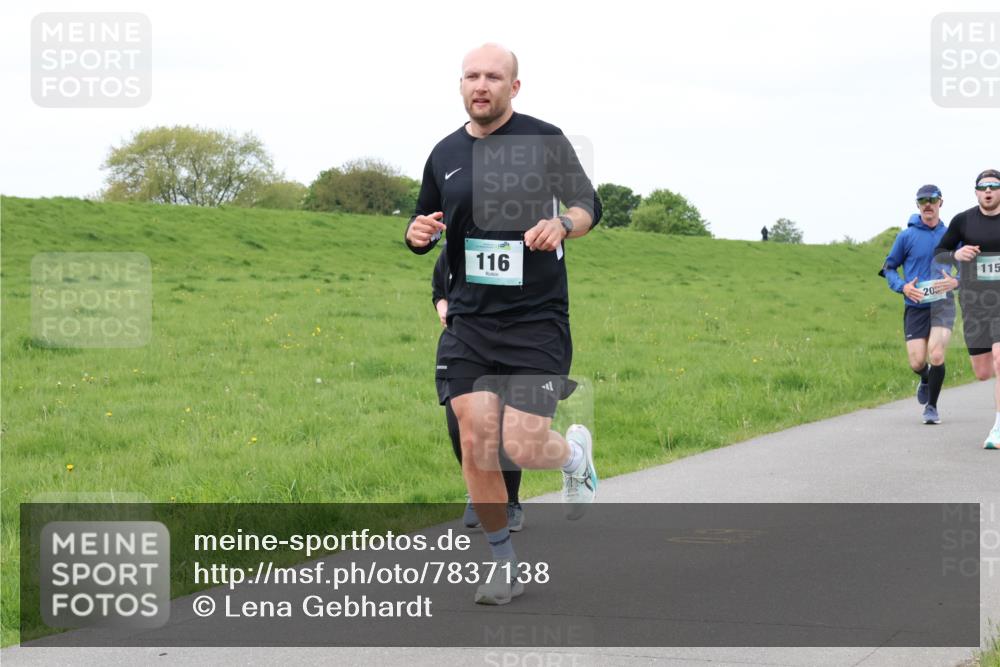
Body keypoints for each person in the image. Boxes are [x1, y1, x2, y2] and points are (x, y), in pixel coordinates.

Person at [405, 43, 602, 604]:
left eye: (494, 76)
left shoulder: (544, 139)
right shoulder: (444, 152)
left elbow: (589, 203)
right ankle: (503, 561)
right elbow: (426, 223)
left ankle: (572, 457)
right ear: (461, 85)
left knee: (521, 442)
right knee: (475, 439)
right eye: (472, 76)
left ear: (515, 87)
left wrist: (564, 223)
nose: (481, 84)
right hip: (468, 321)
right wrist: (415, 236)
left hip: (536, 320)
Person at [431, 247, 525, 531]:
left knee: (502, 428)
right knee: (460, 428)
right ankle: (479, 488)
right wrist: (443, 307)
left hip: (508, 346)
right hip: (461, 345)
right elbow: (439, 291)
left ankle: (509, 502)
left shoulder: (513, 249)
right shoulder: (451, 253)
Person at [879, 185, 957, 424]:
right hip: (915, 305)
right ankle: (924, 378)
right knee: (916, 361)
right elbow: (889, 267)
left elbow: (968, 266)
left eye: (932, 200)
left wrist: (956, 281)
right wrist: (903, 286)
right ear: (918, 205)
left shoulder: (952, 235)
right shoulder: (906, 236)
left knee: (936, 354)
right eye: (923, 200)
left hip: (942, 305)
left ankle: (931, 407)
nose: (928, 204)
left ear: (940, 203)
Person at [934, 169, 1000, 449]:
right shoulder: (963, 221)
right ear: (976, 192)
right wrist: (956, 255)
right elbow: (939, 252)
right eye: (983, 187)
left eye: (994, 187)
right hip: (974, 303)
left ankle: (998, 429)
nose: (988, 191)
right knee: (983, 371)